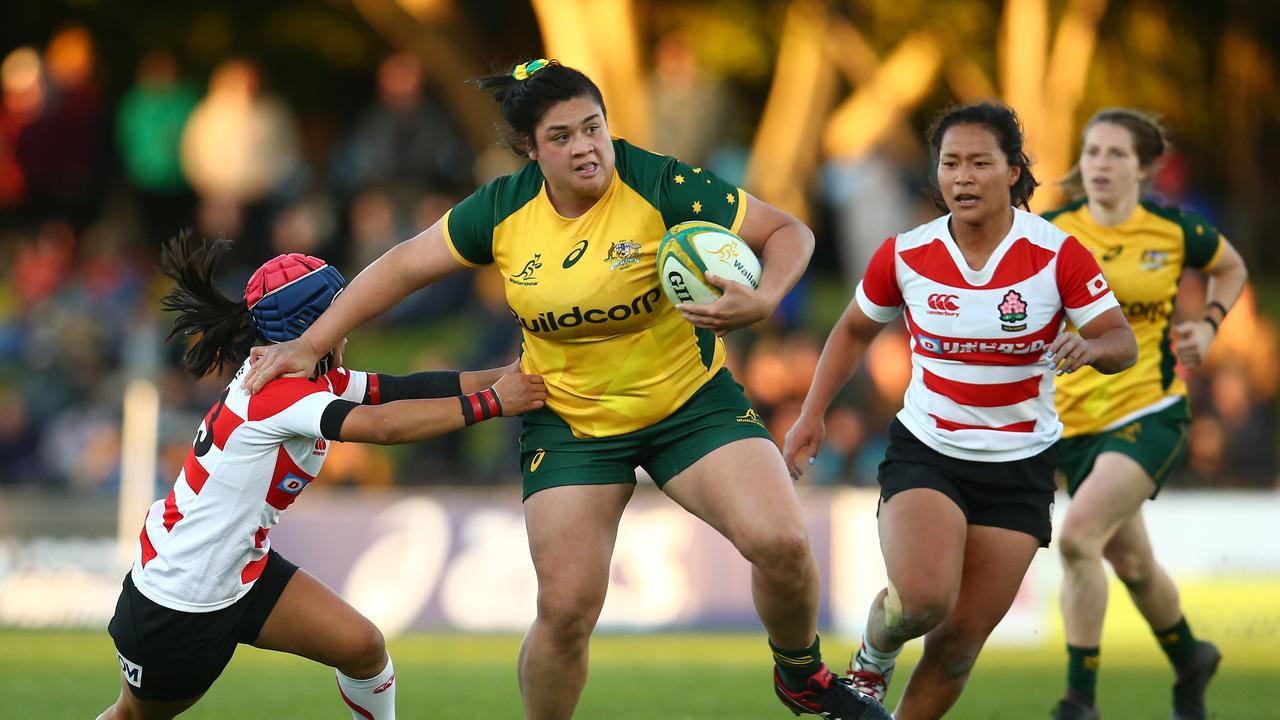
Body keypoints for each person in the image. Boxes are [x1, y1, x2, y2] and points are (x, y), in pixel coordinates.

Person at [240, 59, 891, 720]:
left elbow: (789, 231)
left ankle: (800, 675)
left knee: (781, 544)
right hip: (570, 421)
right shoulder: (502, 209)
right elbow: (404, 265)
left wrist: (766, 297)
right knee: (566, 611)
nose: (585, 147)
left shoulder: (657, 180)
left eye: (593, 127)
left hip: (690, 404)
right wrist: (310, 344)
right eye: (562, 137)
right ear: (530, 149)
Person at [784, 102, 1139, 720]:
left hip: (1020, 468)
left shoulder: (1057, 255)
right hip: (929, 452)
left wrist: (1091, 344)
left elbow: (1122, 342)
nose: (964, 177)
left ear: (1012, 172)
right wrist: (812, 413)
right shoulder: (906, 254)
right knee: (922, 601)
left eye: (981, 162)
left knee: (956, 650)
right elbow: (850, 332)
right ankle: (872, 656)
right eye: (951, 163)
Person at [98, 231, 546, 720]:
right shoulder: (281, 392)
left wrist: (506, 373)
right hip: (181, 599)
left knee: (363, 649)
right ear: (311, 325)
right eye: (339, 312)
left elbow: (396, 391)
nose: (348, 324)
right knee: (133, 717)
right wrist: (493, 404)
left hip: (241, 572)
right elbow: (384, 427)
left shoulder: (308, 375)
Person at [1042, 108, 1247, 720]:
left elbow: (1230, 268)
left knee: (1078, 537)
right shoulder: (1049, 232)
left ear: (1145, 167)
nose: (1099, 164)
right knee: (1129, 562)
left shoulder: (1174, 229)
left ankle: (1079, 699)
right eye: (1092, 152)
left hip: (1151, 411)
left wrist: (1208, 327)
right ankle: (1190, 657)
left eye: (1115, 154)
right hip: (1070, 425)